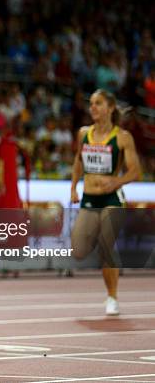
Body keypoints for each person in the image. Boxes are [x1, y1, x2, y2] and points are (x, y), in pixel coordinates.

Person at [70, 89, 141, 316]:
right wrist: (73, 188)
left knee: (106, 243)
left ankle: (112, 297)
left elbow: (136, 172)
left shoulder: (122, 137)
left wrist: (117, 182)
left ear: (110, 108)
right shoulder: (84, 133)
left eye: (98, 103)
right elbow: (77, 162)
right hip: (90, 197)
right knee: (79, 250)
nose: (93, 108)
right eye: (91, 104)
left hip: (112, 197)